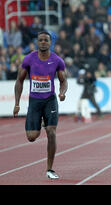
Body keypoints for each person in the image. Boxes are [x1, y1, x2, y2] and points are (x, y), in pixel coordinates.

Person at [13, 31, 68, 179]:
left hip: (50, 100)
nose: (43, 42)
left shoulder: (57, 61)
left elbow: (64, 80)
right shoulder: (29, 59)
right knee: (32, 136)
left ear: (50, 43)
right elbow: (19, 80)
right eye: (41, 40)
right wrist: (17, 103)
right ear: (37, 42)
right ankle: (41, 122)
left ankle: (50, 169)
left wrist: (62, 93)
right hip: (35, 101)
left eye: (46, 40)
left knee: (51, 132)